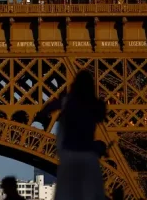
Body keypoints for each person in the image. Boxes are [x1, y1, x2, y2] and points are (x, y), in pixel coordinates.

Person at [52, 70, 108, 200]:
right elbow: (101, 115)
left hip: (69, 155)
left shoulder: (68, 101)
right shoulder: (95, 104)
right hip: (88, 155)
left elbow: (49, 107)